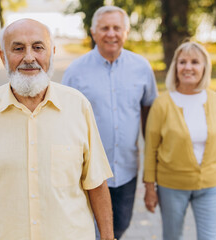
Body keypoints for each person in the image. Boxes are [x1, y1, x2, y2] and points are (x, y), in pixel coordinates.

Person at [0, 18, 116, 240]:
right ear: (3, 57)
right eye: (18, 48)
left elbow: (96, 183)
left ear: (51, 53)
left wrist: (109, 237)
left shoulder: (78, 105)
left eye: (38, 47)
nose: (29, 57)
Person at [62, 5, 158, 239]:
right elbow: (63, 121)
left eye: (117, 28)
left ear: (126, 32)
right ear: (94, 32)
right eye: (104, 28)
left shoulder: (142, 68)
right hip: (87, 171)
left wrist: (151, 169)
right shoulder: (75, 71)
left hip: (126, 168)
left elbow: (149, 116)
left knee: (121, 225)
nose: (111, 33)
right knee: (92, 230)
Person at [143, 41, 216, 240]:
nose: (188, 67)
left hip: (212, 184)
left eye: (195, 62)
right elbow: (150, 149)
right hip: (172, 186)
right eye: (182, 62)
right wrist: (149, 188)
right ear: (175, 67)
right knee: (172, 237)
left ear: (204, 67)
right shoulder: (162, 104)